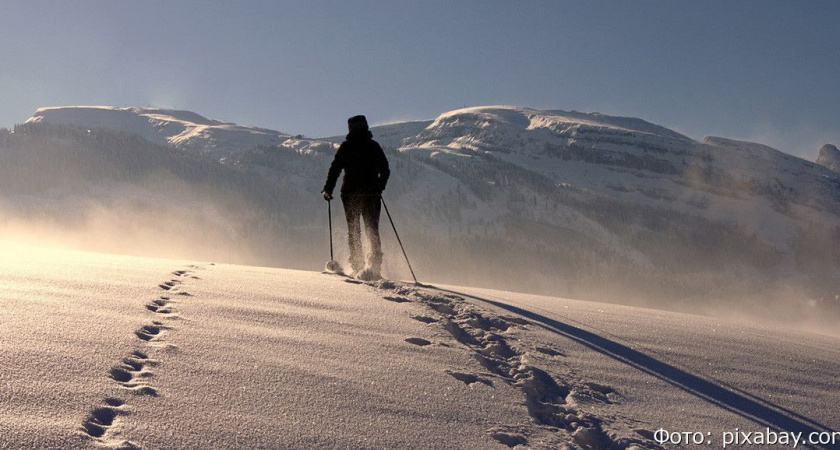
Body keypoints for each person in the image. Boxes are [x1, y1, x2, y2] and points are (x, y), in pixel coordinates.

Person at [322, 115, 390, 280]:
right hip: (371, 194)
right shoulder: (373, 146)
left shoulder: (346, 147)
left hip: (350, 194)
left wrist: (328, 189)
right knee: (372, 229)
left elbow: (335, 169)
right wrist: (379, 187)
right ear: (366, 126)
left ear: (350, 128)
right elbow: (385, 170)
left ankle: (358, 266)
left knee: (354, 230)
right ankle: (374, 268)